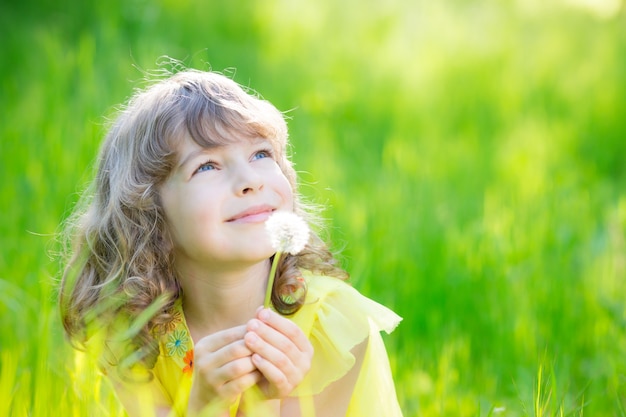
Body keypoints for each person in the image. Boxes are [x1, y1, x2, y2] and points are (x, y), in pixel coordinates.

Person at [59, 67, 403, 417]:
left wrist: (265, 397)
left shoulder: (332, 327)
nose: (250, 179)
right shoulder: (134, 334)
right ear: (147, 211)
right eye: (207, 166)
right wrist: (206, 406)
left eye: (261, 154)